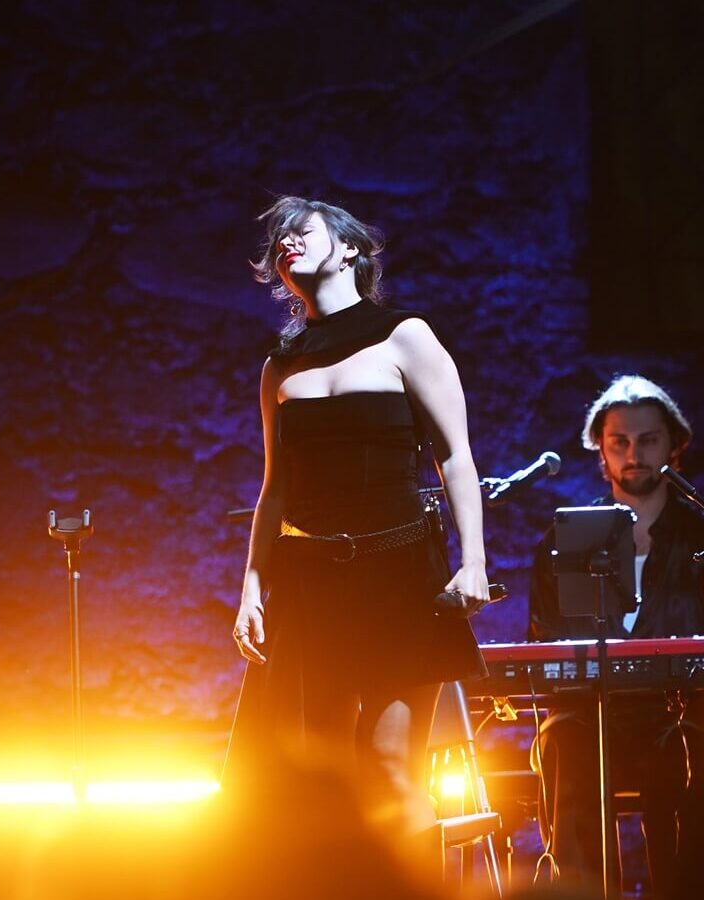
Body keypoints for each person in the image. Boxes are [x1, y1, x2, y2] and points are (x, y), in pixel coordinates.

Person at [223, 196, 492, 850]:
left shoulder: (405, 336)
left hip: (398, 575)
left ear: (349, 249)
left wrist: (475, 561)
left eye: (301, 231)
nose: (286, 243)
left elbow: (455, 456)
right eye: (278, 241)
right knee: (325, 780)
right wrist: (252, 587)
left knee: (391, 768)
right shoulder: (281, 364)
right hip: (313, 585)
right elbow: (275, 489)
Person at [526, 376, 704, 894]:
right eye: (619, 441)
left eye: (648, 440)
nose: (633, 453)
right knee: (564, 739)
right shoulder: (563, 538)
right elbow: (543, 640)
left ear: (674, 446)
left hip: (683, 715)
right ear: (600, 448)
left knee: (689, 748)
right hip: (591, 716)